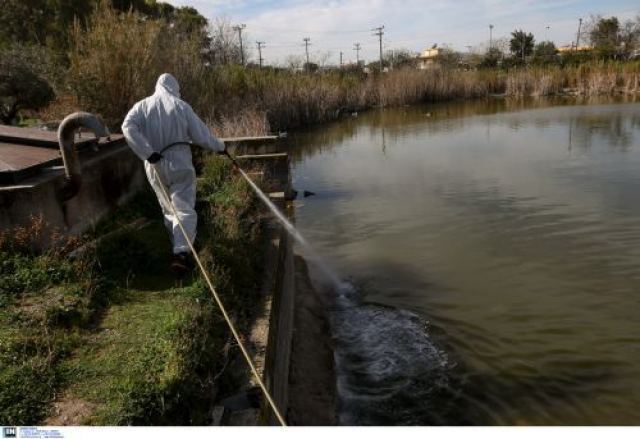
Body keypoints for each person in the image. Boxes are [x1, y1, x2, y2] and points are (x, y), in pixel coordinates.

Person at [122, 73, 225, 275]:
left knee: (168, 208)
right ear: (174, 88)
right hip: (178, 161)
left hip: (154, 163)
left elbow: (127, 127)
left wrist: (147, 152)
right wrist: (220, 147)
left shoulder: (140, 107)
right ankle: (182, 254)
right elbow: (202, 136)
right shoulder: (181, 106)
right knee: (184, 207)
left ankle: (178, 251)